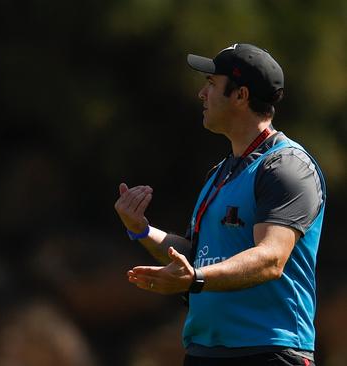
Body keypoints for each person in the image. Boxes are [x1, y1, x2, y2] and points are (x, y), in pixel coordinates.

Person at [114, 43, 325, 366]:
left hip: (269, 352)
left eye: (212, 84)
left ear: (240, 95)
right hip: (204, 351)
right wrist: (141, 230)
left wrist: (196, 278)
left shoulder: (286, 166)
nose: (202, 94)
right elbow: (196, 256)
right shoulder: (222, 172)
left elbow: (271, 258)